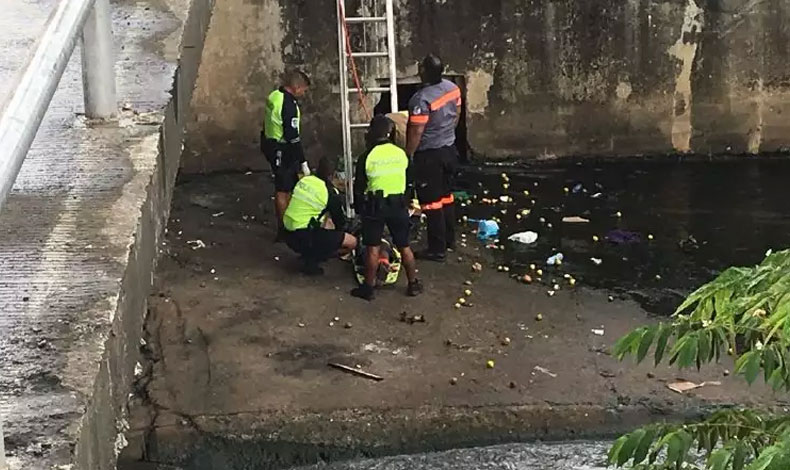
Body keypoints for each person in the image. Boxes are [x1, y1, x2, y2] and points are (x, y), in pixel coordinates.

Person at [351, 115, 423, 301]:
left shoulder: (366, 157)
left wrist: (360, 210)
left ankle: (368, 288)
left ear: (371, 133)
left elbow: (359, 188)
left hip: (375, 206)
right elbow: (409, 183)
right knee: (404, 245)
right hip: (398, 205)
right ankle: (413, 283)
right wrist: (408, 203)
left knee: (372, 247)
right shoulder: (402, 154)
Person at [406, 54, 461, 262]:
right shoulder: (452, 88)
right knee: (446, 196)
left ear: (424, 72)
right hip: (449, 148)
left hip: (430, 154)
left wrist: (408, 154)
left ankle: (437, 249)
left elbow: (416, 131)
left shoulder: (421, 99)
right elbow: (456, 113)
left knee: (431, 203)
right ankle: (449, 240)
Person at [283, 157, 357, 276]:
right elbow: (340, 222)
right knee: (352, 242)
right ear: (331, 176)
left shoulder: (304, 181)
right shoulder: (328, 192)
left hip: (287, 232)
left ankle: (309, 254)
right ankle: (313, 259)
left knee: (323, 221)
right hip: (303, 237)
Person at [261, 70, 312, 242]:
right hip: (282, 149)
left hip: (270, 144)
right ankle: (284, 230)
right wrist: (303, 161)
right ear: (296, 87)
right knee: (283, 189)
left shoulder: (274, 95)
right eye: (303, 90)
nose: (303, 94)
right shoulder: (288, 105)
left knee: (286, 186)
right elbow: (292, 136)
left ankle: (287, 225)